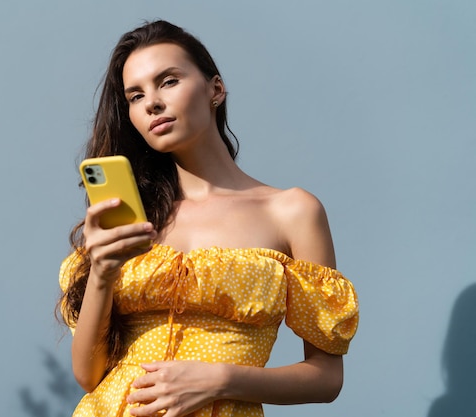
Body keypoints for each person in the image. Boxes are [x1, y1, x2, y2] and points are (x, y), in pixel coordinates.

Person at [58, 20, 359, 417]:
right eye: (135, 95)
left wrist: (219, 380)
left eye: (168, 81)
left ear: (215, 89)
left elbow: (326, 378)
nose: (151, 102)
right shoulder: (132, 215)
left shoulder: (292, 211)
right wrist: (101, 270)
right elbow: (88, 374)